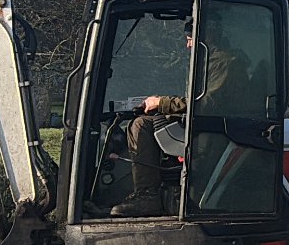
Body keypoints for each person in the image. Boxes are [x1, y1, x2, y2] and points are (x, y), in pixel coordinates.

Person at [110, 21, 273, 217]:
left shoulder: (226, 64)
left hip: (213, 133)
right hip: (207, 125)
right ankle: (149, 193)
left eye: (190, 39)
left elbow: (205, 104)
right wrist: (161, 106)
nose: (187, 45)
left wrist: (162, 103)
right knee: (144, 122)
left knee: (141, 125)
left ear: (206, 37)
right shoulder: (210, 62)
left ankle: (148, 196)